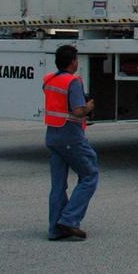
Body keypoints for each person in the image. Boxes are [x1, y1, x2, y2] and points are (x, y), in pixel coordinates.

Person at [43, 44, 98, 241]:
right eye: (76, 59)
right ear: (73, 61)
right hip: (70, 136)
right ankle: (69, 220)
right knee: (90, 175)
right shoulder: (73, 82)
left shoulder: (50, 80)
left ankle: (55, 229)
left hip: (53, 136)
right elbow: (77, 111)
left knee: (58, 186)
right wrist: (88, 106)